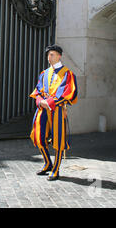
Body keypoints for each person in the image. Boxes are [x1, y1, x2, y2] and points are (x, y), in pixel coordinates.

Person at [29, 45, 78, 181]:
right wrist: (40, 101)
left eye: (52, 55)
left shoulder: (67, 74)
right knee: (39, 136)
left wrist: (48, 103)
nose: (49, 57)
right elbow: (38, 91)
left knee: (58, 139)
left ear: (59, 56)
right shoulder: (44, 73)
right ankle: (47, 163)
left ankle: (56, 169)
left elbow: (68, 92)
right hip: (42, 110)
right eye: (48, 55)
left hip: (57, 110)